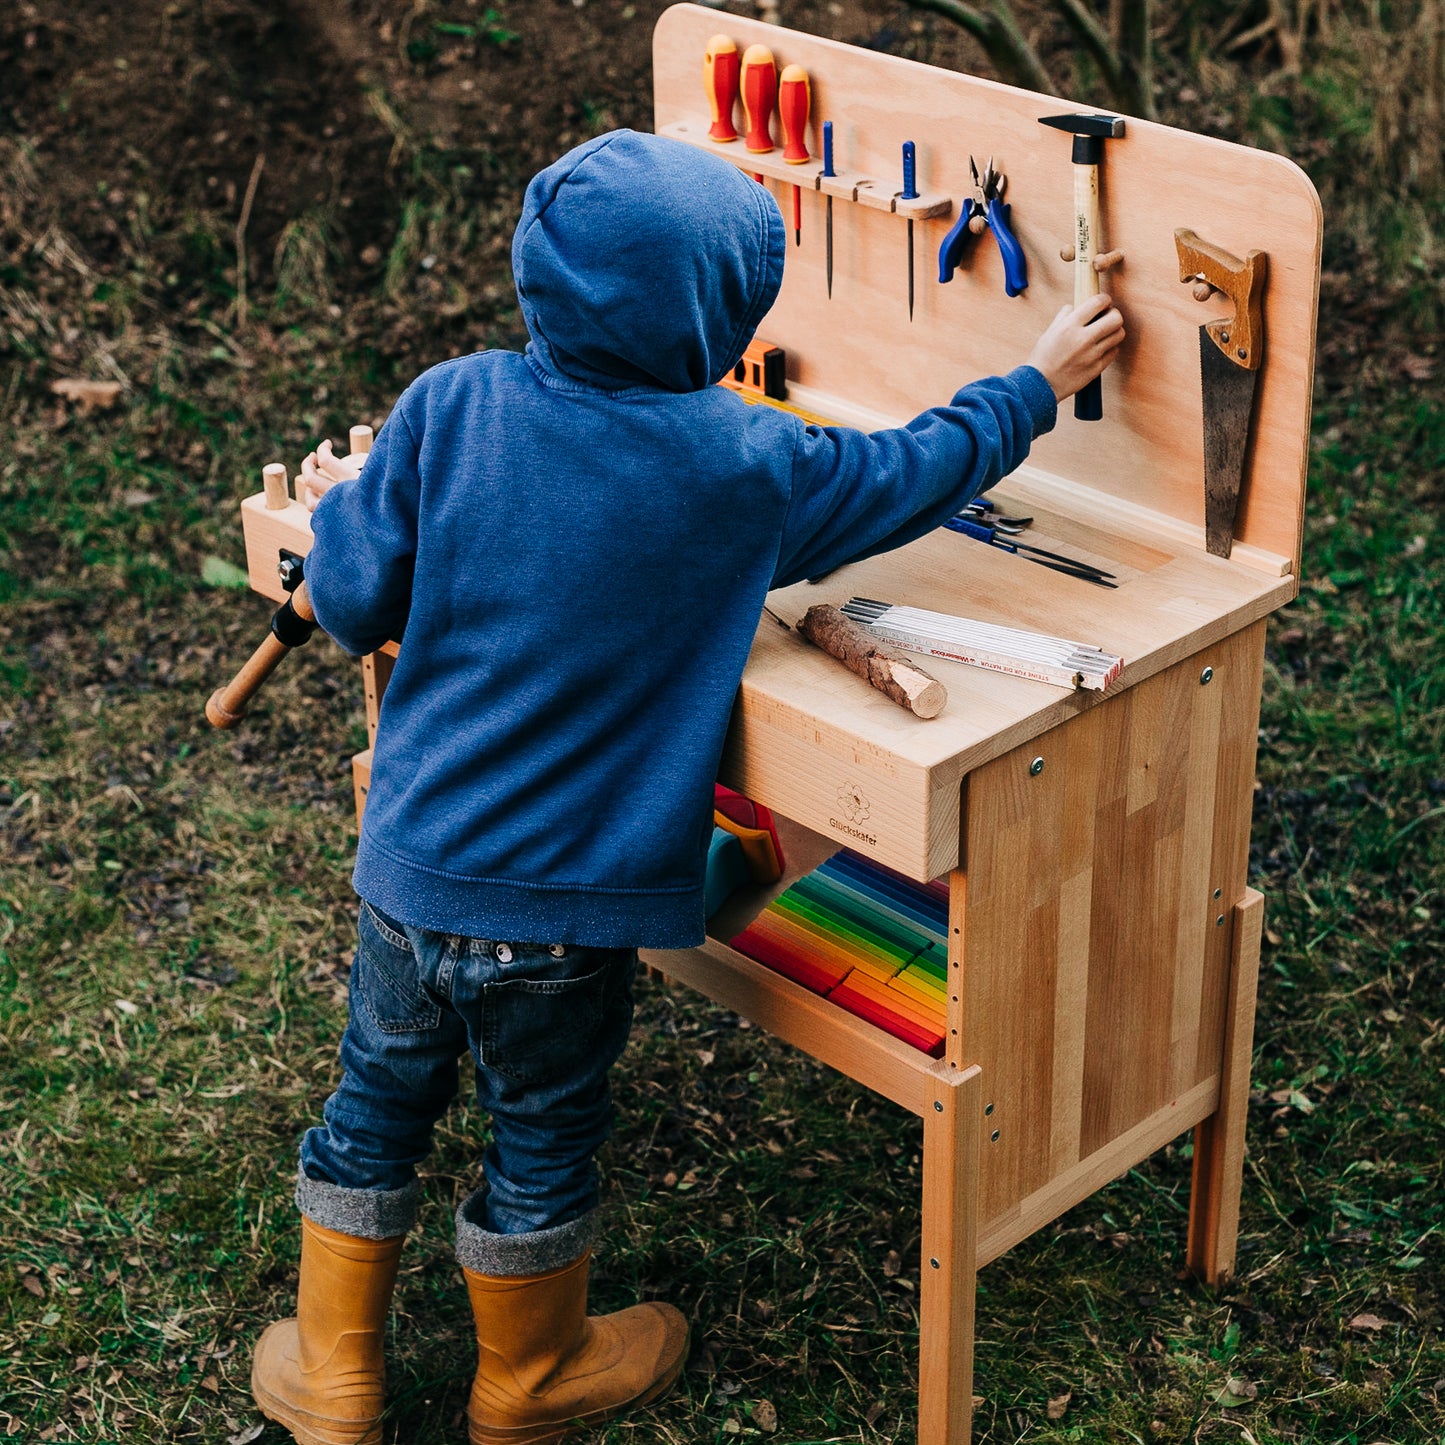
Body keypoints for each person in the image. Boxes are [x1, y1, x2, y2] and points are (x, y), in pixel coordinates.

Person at [250, 128, 1124, 1445]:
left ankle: (332, 1386)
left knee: (374, 1095)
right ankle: (528, 1379)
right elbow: (912, 471)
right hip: (567, 917)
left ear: (536, 270)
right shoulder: (745, 463)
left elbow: (350, 595)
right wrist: (1036, 380)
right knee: (542, 1127)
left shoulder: (446, 407)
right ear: (720, 312)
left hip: (411, 872)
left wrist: (347, 511)